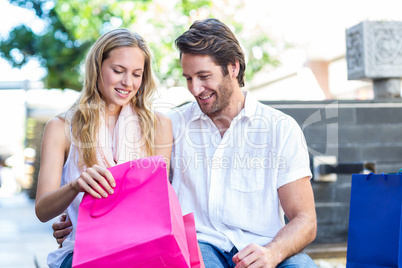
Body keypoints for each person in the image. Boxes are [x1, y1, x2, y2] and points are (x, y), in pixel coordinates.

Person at [53, 18, 318, 267]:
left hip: (264, 246)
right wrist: (79, 219)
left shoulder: (280, 129)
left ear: (233, 67)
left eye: (204, 76)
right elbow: (133, 186)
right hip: (200, 243)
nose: (194, 89)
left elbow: (305, 219)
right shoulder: (172, 124)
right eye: (188, 78)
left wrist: (273, 252)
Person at [36, 28, 172, 268]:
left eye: (136, 74)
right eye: (118, 71)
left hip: (142, 249)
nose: (128, 83)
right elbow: (42, 210)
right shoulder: (61, 127)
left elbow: (160, 205)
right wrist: (75, 187)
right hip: (84, 251)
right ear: (97, 68)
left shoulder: (158, 125)